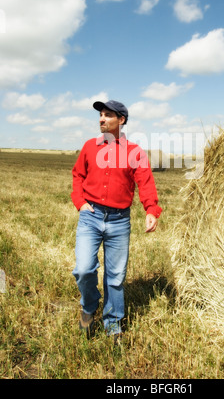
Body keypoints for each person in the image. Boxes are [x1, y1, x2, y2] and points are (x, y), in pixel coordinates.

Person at [71, 100, 162, 343]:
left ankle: (112, 324)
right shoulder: (90, 147)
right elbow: (77, 175)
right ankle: (89, 306)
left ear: (121, 120)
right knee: (83, 269)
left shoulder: (134, 152)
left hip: (119, 220)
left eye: (107, 115)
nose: (101, 119)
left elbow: (145, 181)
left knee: (115, 276)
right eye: (100, 115)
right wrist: (80, 203)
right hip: (90, 216)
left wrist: (151, 209)